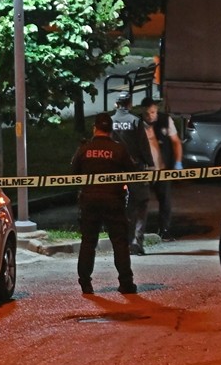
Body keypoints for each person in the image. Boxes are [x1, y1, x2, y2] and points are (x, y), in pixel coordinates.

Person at [70, 113, 138, 295]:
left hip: (89, 201)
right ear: (111, 131)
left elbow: (73, 172)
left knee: (88, 242)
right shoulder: (119, 149)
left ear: (95, 128)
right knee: (119, 243)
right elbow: (133, 173)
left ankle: (85, 283)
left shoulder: (84, 149)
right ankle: (126, 283)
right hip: (114, 201)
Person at [124, 98, 183, 252]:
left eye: (153, 112)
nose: (150, 116)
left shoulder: (165, 120)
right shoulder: (136, 123)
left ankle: (164, 231)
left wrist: (178, 162)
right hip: (143, 172)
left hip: (162, 169)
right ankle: (136, 237)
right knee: (140, 202)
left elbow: (176, 142)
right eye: (147, 113)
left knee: (165, 201)